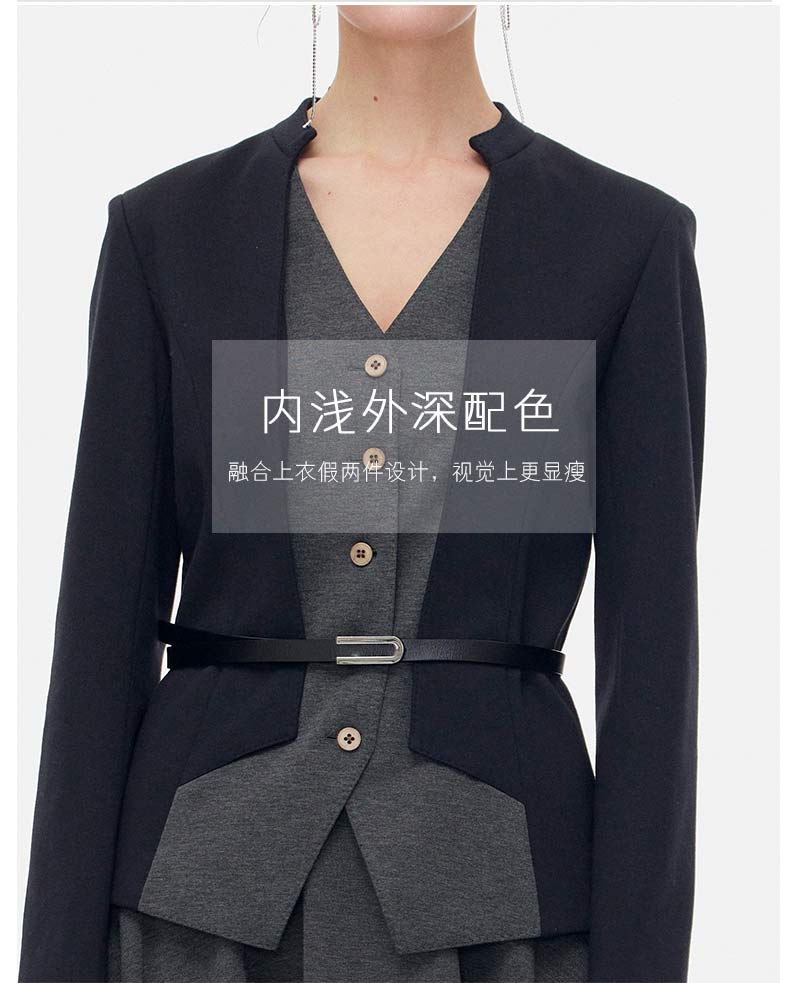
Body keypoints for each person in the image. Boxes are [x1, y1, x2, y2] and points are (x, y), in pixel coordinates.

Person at [20, 5, 706, 982]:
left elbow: (653, 672)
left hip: (499, 921)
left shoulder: (619, 242)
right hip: (196, 916)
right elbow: (97, 639)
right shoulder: (168, 233)